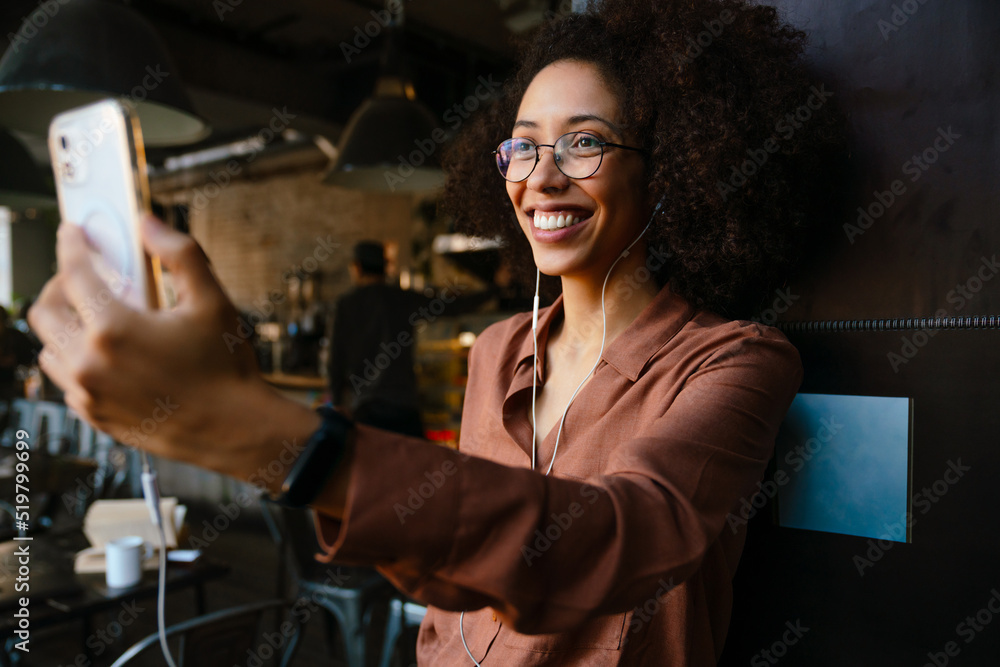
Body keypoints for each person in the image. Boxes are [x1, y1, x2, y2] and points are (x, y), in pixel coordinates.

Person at [27, 0, 843, 664]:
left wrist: (268, 436)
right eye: (520, 149)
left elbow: (617, 544)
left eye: (584, 141)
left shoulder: (737, 362)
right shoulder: (495, 352)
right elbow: (451, 557)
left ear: (670, 165)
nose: (541, 177)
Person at [329, 240, 495, 437]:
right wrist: (495, 289)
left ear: (357, 268)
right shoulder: (401, 298)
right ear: (385, 268)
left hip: (365, 409)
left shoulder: (345, 305)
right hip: (404, 408)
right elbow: (453, 307)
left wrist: (338, 402)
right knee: (416, 466)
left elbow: (335, 359)